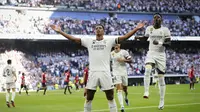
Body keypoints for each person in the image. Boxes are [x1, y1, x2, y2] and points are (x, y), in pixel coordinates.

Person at [50, 22, 144, 112]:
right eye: (96, 28)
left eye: (100, 28)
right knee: (89, 97)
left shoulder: (109, 41)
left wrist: (136, 29)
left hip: (105, 73)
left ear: (103, 31)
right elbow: (74, 39)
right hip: (93, 73)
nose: (98, 30)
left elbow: (124, 38)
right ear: (94, 31)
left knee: (110, 96)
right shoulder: (89, 41)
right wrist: (60, 32)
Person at [135, 13, 171, 110]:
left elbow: (169, 43)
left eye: (158, 18)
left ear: (161, 20)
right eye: (154, 18)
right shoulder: (149, 28)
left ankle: (162, 100)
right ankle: (146, 91)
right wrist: (138, 37)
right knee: (147, 69)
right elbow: (145, 38)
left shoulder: (165, 30)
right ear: (153, 20)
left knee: (161, 78)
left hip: (161, 55)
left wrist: (159, 42)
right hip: (151, 52)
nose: (156, 19)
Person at [110, 44, 132, 111]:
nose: (116, 45)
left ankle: (126, 97)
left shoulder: (124, 52)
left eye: (117, 43)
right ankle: (122, 106)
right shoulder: (111, 54)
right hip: (116, 72)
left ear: (119, 45)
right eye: (114, 44)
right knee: (118, 88)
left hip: (123, 72)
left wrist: (124, 60)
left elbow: (131, 61)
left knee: (125, 89)